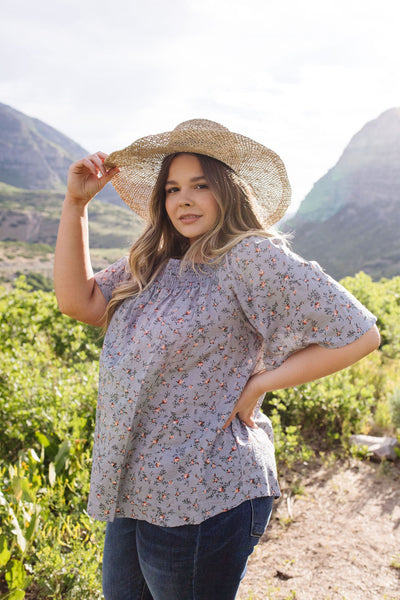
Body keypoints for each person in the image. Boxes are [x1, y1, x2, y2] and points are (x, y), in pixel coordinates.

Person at [54, 119, 380, 600]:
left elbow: (360, 334)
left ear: (226, 191)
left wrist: (258, 384)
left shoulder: (249, 257)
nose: (183, 199)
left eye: (199, 186)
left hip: (204, 492)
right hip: (135, 485)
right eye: (172, 189)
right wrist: (76, 203)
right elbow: (77, 302)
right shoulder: (156, 262)